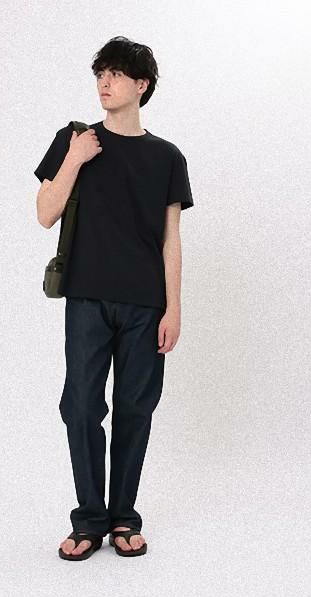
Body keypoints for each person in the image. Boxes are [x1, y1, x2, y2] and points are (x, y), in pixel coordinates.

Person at [34, 36, 194, 560]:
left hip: (146, 304)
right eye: (100, 73)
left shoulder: (167, 157)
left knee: (134, 408)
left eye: (117, 74)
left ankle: (124, 515)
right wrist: (75, 159)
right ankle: (89, 519)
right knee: (80, 405)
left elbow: (171, 239)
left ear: (141, 85)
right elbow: (45, 213)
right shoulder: (75, 139)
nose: (104, 82)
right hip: (87, 296)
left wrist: (174, 308)